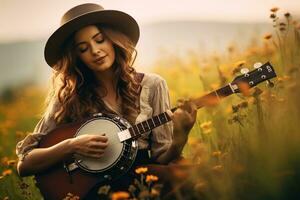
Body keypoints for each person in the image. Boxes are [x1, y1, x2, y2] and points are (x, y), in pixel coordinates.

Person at [16, 3, 197, 198]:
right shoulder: (68, 98)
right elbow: (24, 164)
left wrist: (180, 137)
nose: (95, 51)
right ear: (76, 56)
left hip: (145, 179)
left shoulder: (152, 85)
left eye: (99, 40)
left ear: (113, 40)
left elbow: (162, 159)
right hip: (96, 189)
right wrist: (72, 145)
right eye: (83, 48)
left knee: (198, 178)